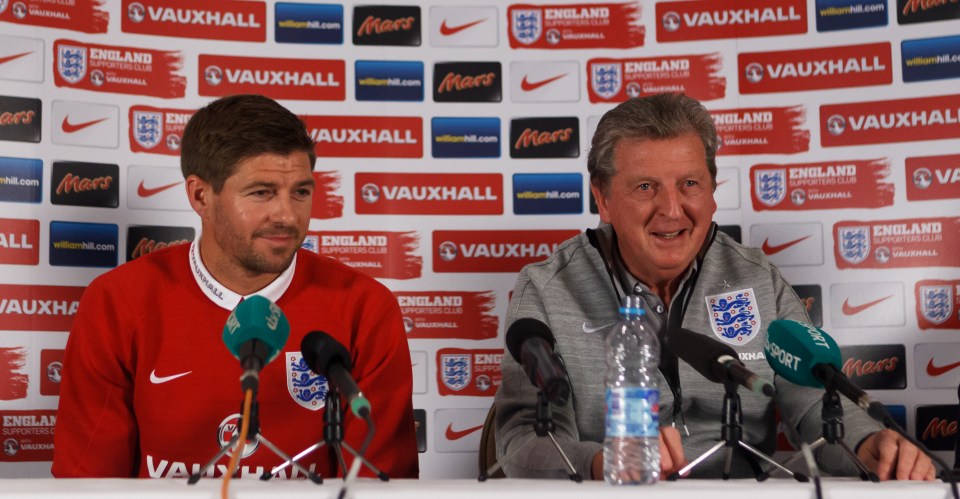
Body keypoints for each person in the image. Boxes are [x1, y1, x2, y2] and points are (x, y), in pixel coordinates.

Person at [494, 93, 935, 481]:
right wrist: (600, 462)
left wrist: (867, 445)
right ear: (603, 199)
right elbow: (522, 440)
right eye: (646, 187)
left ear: (712, 191)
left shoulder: (756, 277)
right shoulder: (548, 289)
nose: (672, 209)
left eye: (690, 184)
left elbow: (813, 403)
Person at [52, 94, 419, 479]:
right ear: (200, 196)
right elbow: (87, 485)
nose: (287, 215)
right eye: (261, 192)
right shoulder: (117, 302)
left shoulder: (365, 307)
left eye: (301, 192)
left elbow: (383, 484)